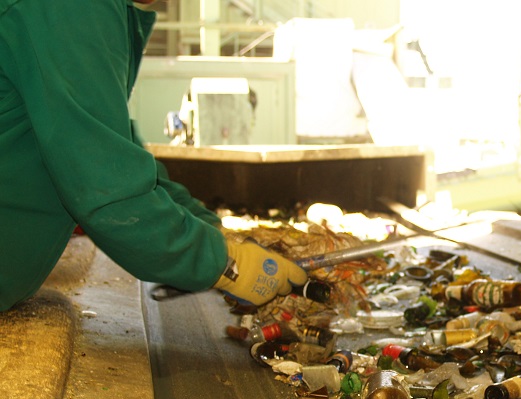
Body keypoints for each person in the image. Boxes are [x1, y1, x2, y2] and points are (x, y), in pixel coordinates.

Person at [0, 0, 305, 312]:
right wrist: (227, 266)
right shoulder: (69, 8)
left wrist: (215, 231)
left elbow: (113, 148)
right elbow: (109, 189)